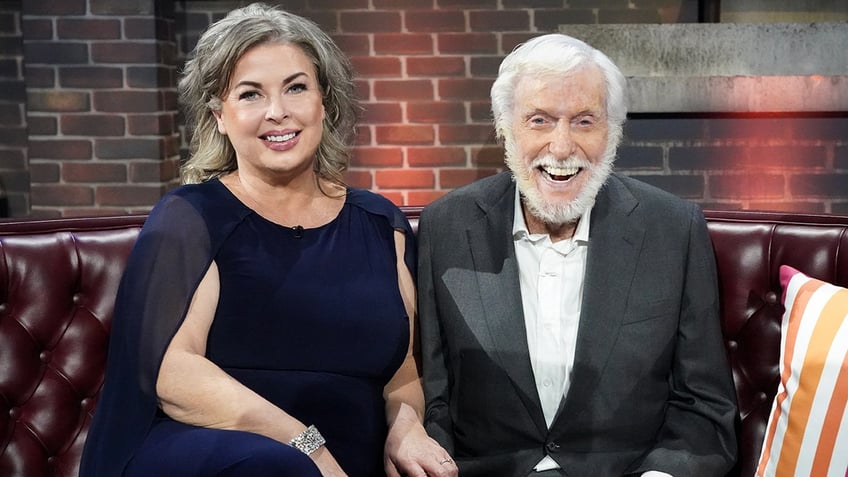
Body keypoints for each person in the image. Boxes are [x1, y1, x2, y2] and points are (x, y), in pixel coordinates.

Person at [79, 4, 456, 477]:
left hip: (346, 455)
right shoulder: (193, 217)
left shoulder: (380, 222)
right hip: (217, 449)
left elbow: (402, 370)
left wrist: (407, 427)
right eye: (250, 94)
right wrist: (307, 447)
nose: (277, 112)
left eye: (296, 88)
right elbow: (173, 374)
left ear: (325, 102)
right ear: (219, 115)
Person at [417, 33, 738, 477]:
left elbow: (704, 406)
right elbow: (433, 396)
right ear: (505, 128)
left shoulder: (673, 229)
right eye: (540, 121)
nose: (563, 147)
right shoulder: (446, 227)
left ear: (614, 132)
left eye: (585, 121)